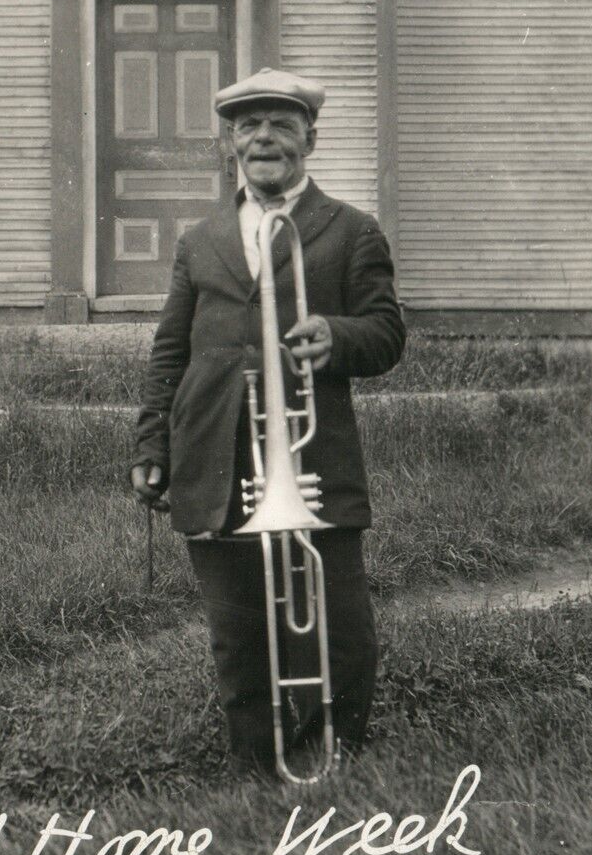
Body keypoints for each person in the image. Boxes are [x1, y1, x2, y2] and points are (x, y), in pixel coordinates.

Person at [129, 67, 406, 775]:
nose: (264, 138)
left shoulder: (350, 230)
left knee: (336, 625)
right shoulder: (201, 239)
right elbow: (170, 349)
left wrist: (337, 335)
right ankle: (256, 763)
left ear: (309, 138)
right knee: (237, 627)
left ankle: (338, 756)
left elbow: (386, 333)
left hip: (312, 455)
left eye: (281, 124)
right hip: (212, 444)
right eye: (248, 127)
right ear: (231, 145)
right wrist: (151, 441)